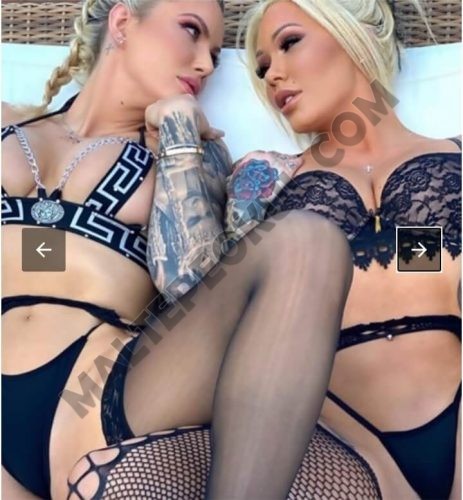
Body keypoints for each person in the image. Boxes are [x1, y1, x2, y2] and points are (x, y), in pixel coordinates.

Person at [2, 0, 354, 499]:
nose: (206, 64)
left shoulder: (192, 152)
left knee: (306, 241)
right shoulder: (8, 127)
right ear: (123, 22)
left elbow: (189, 286)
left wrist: (179, 133)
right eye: (191, 31)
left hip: (100, 397)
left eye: (215, 53)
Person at [233, 0, 460, 498]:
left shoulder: (456, 157)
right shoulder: (264, 178)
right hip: (336, 450)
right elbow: (190, 298)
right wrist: (181, 138)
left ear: (353, 33)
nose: (273, 76)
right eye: (263, 67)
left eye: (289, 42)